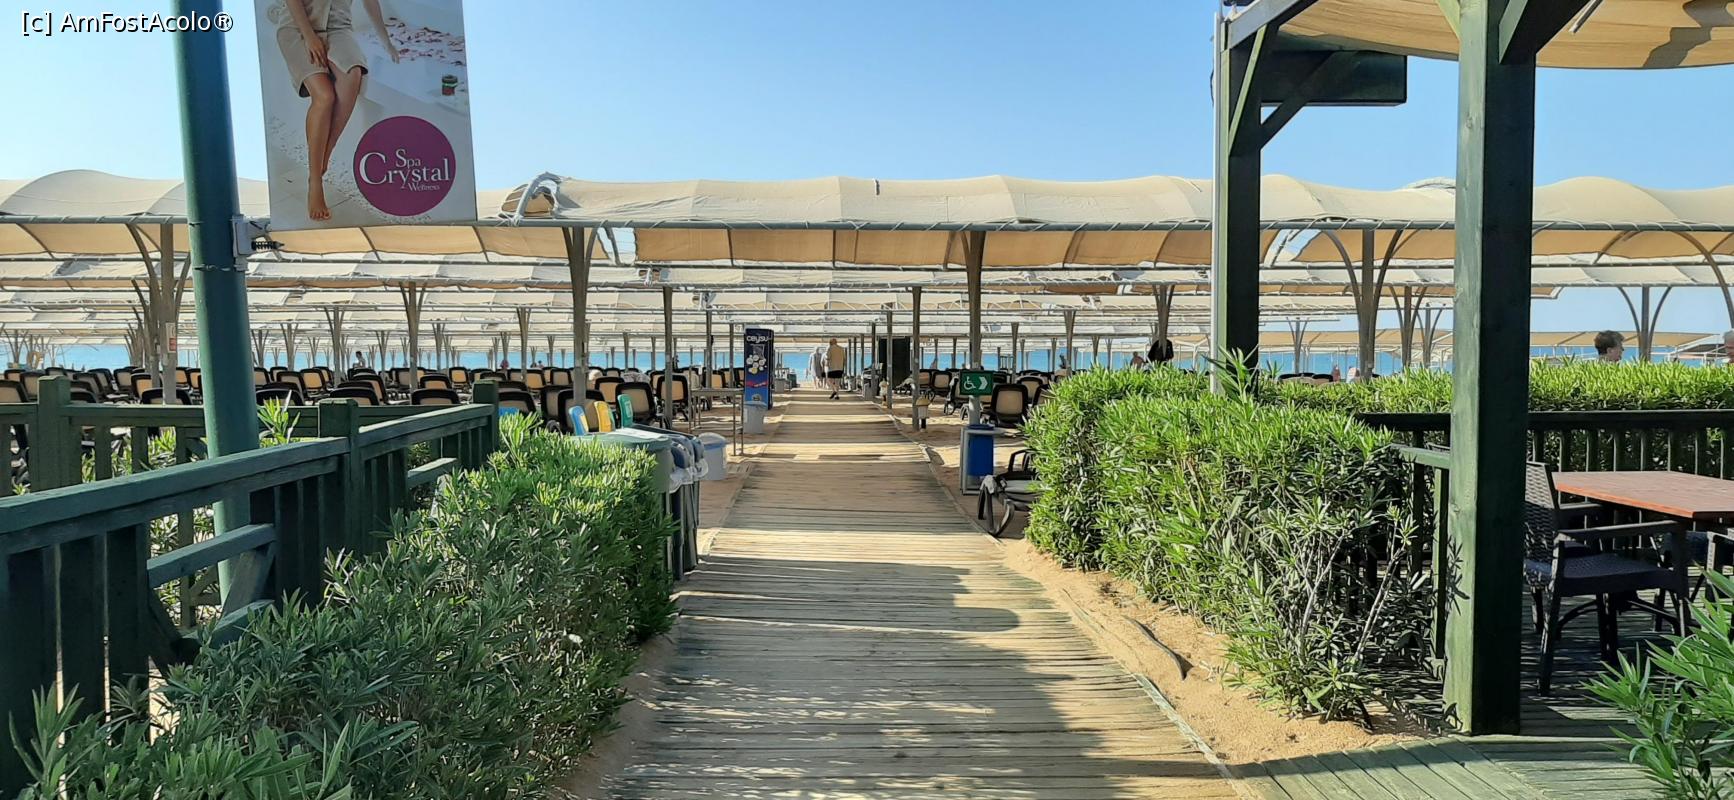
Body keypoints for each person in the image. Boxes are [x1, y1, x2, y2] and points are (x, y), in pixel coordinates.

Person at [270, 0, 398, 221]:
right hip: (298, 28)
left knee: (353, 74)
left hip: (339, 30)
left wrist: (386, 40)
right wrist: (310, 37)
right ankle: (315, 180)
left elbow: (370, 2)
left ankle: (326, 153)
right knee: (324, 96)